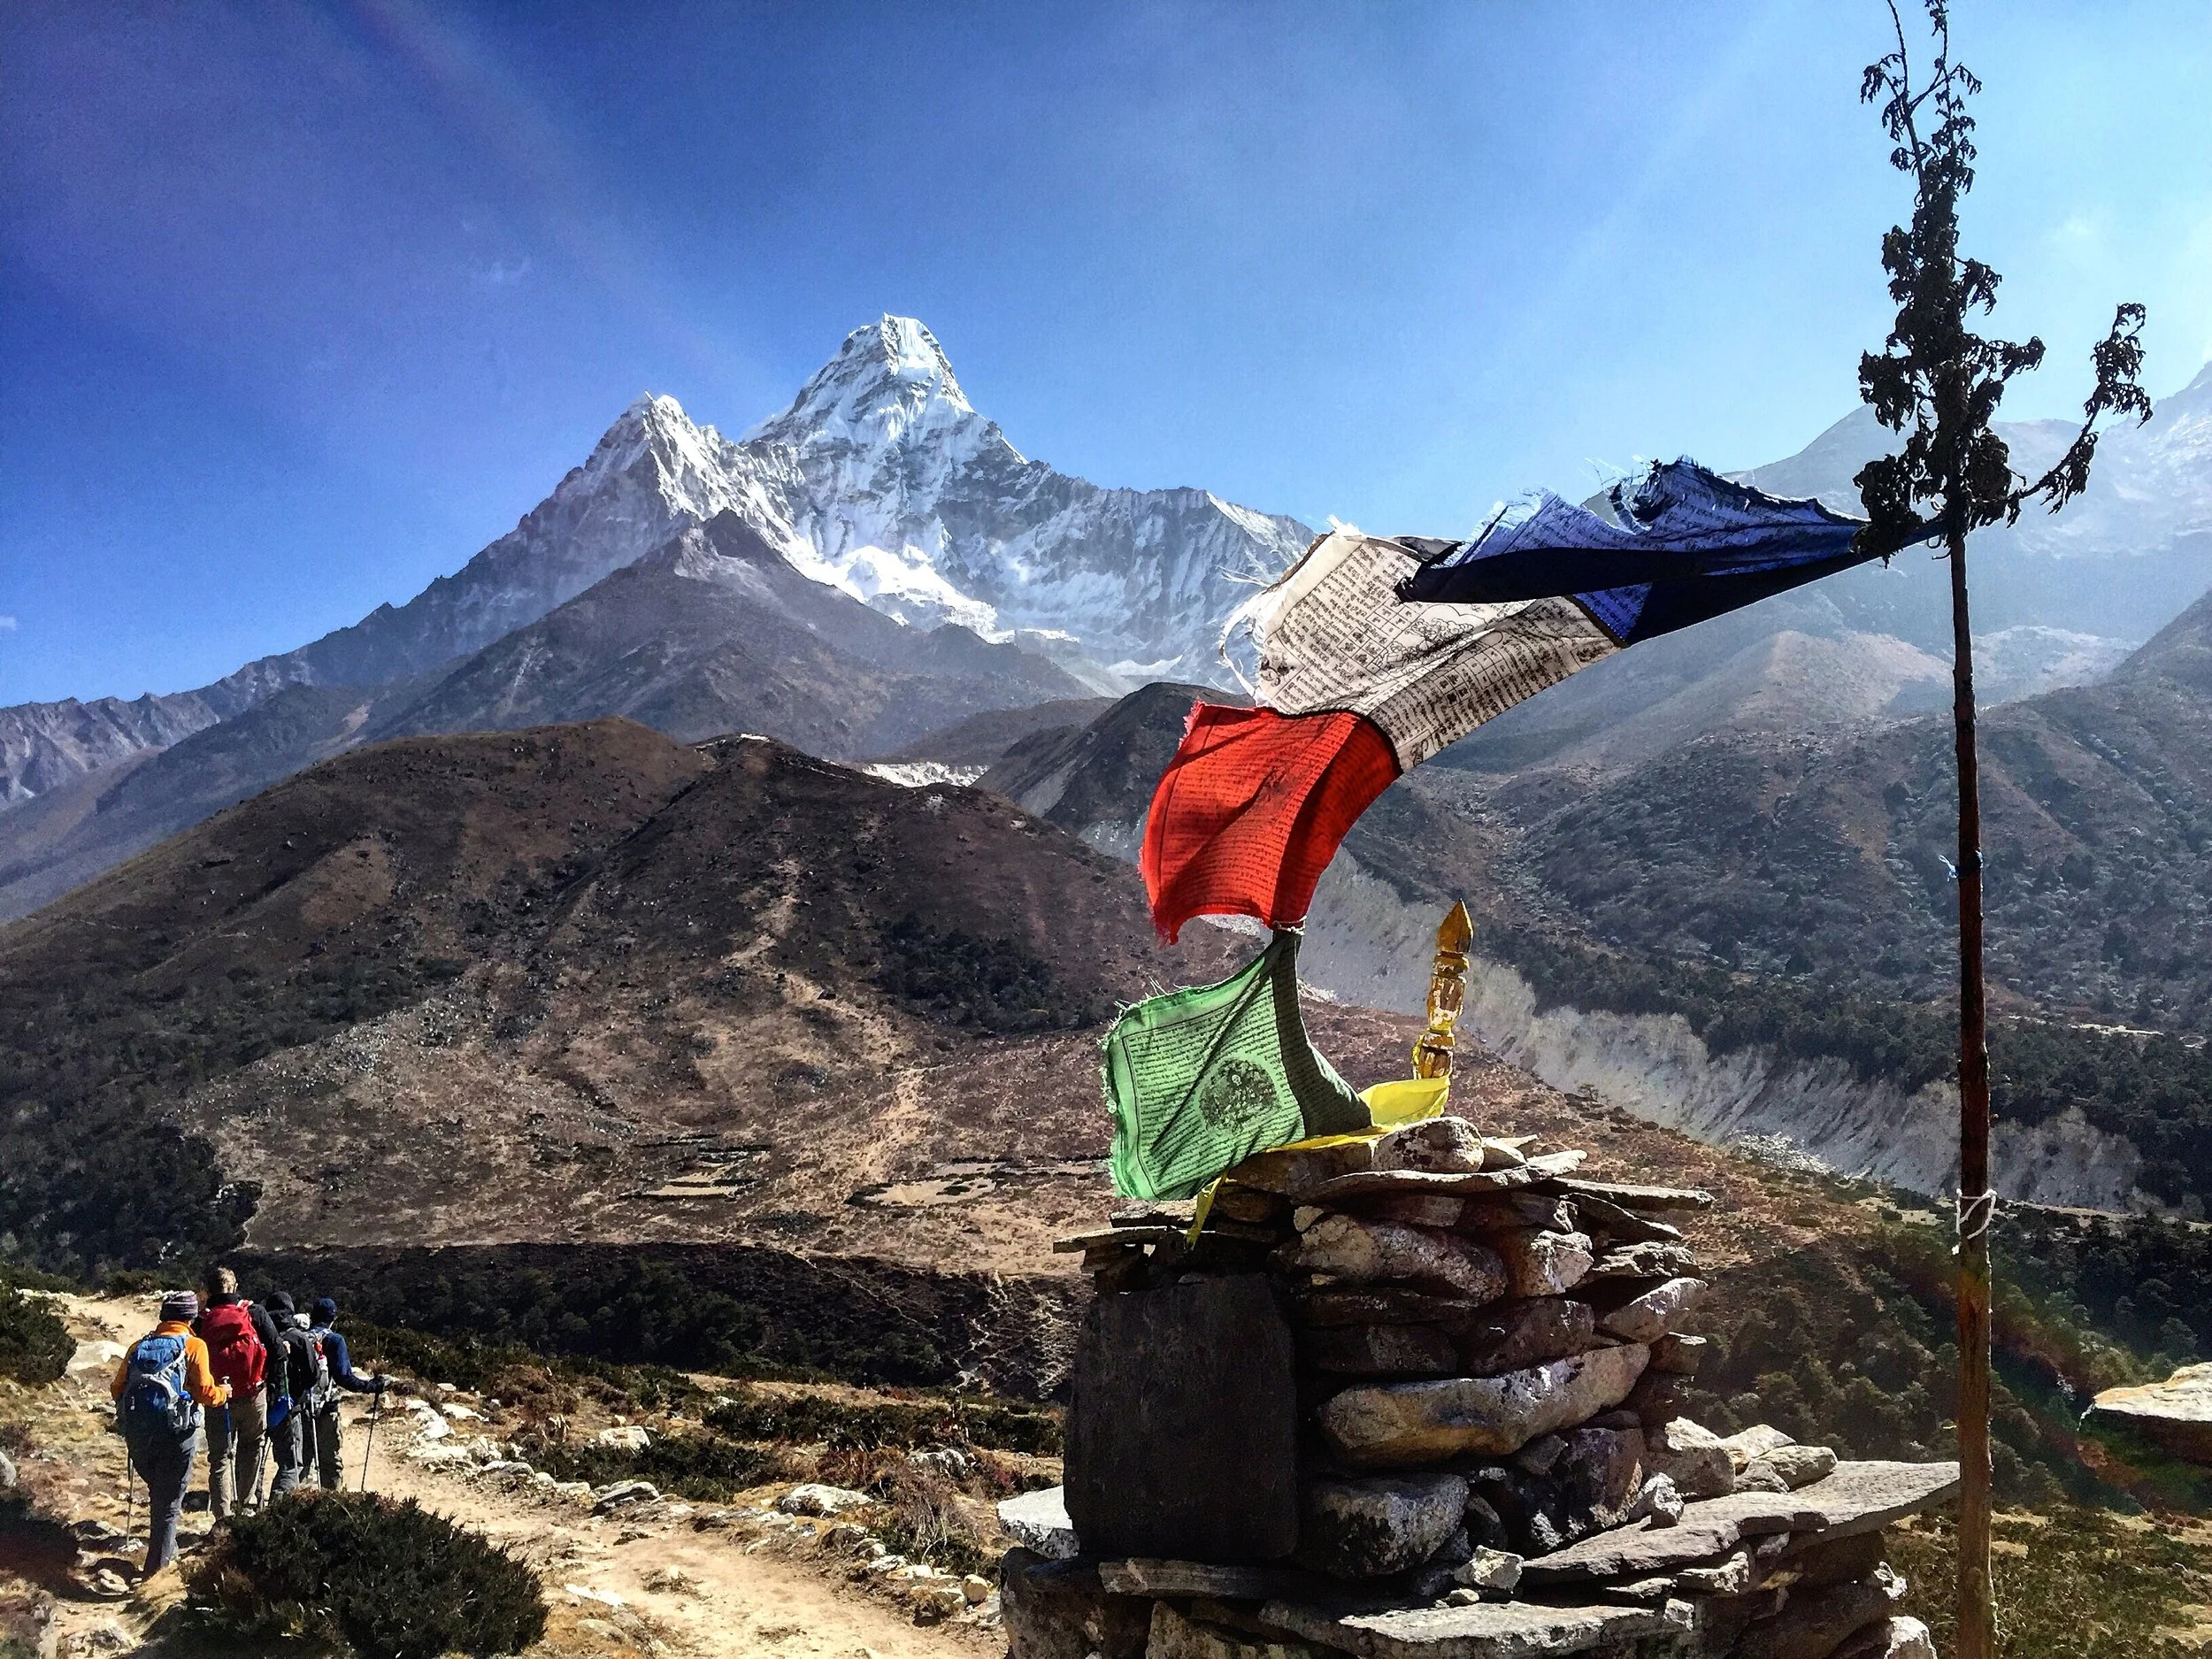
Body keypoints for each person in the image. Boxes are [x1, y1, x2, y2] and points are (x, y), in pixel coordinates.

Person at [111, 1290, 229, 1576]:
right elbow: (205, 1392)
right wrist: (223, 1393)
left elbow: (117, 1388)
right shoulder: (194, 1346)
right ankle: (156, 1573)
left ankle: (166, 1550)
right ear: (191, 1318)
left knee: (161, 1497)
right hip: (177, 1435)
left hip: (139, 1436)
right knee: (169, 1503)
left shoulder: (139, 1347)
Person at [192, 1267, 277, 1519]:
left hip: (218, 1397)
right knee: (251, 1448)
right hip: (253, 1395)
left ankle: (222, 1517)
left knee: (219, 1458)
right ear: (235, 1287)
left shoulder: (201, 1321)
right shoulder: (254, 1312)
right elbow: (277, 1350)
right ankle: (245, 1507)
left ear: (207, 1292)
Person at [304, 1298, 385, 1489]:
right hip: (326, 1408)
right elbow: (345, 1378)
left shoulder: (301, 1338)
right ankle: (331, 1499)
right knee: (329, 1461)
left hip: (300, 1407)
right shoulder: (335, 1340)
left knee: (302, 1459)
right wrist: (372, 1386)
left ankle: (296, 1500)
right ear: (333, 1318)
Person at [261, 1292, 320, 1500]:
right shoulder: (299, 1338)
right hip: (288, 1406)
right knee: (292, 1462)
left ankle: (249, 1501)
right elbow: (313, 1375)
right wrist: (300, 1391)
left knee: (255, 1457)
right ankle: (279, 1505)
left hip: (257, 1404)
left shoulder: (258, 1335)